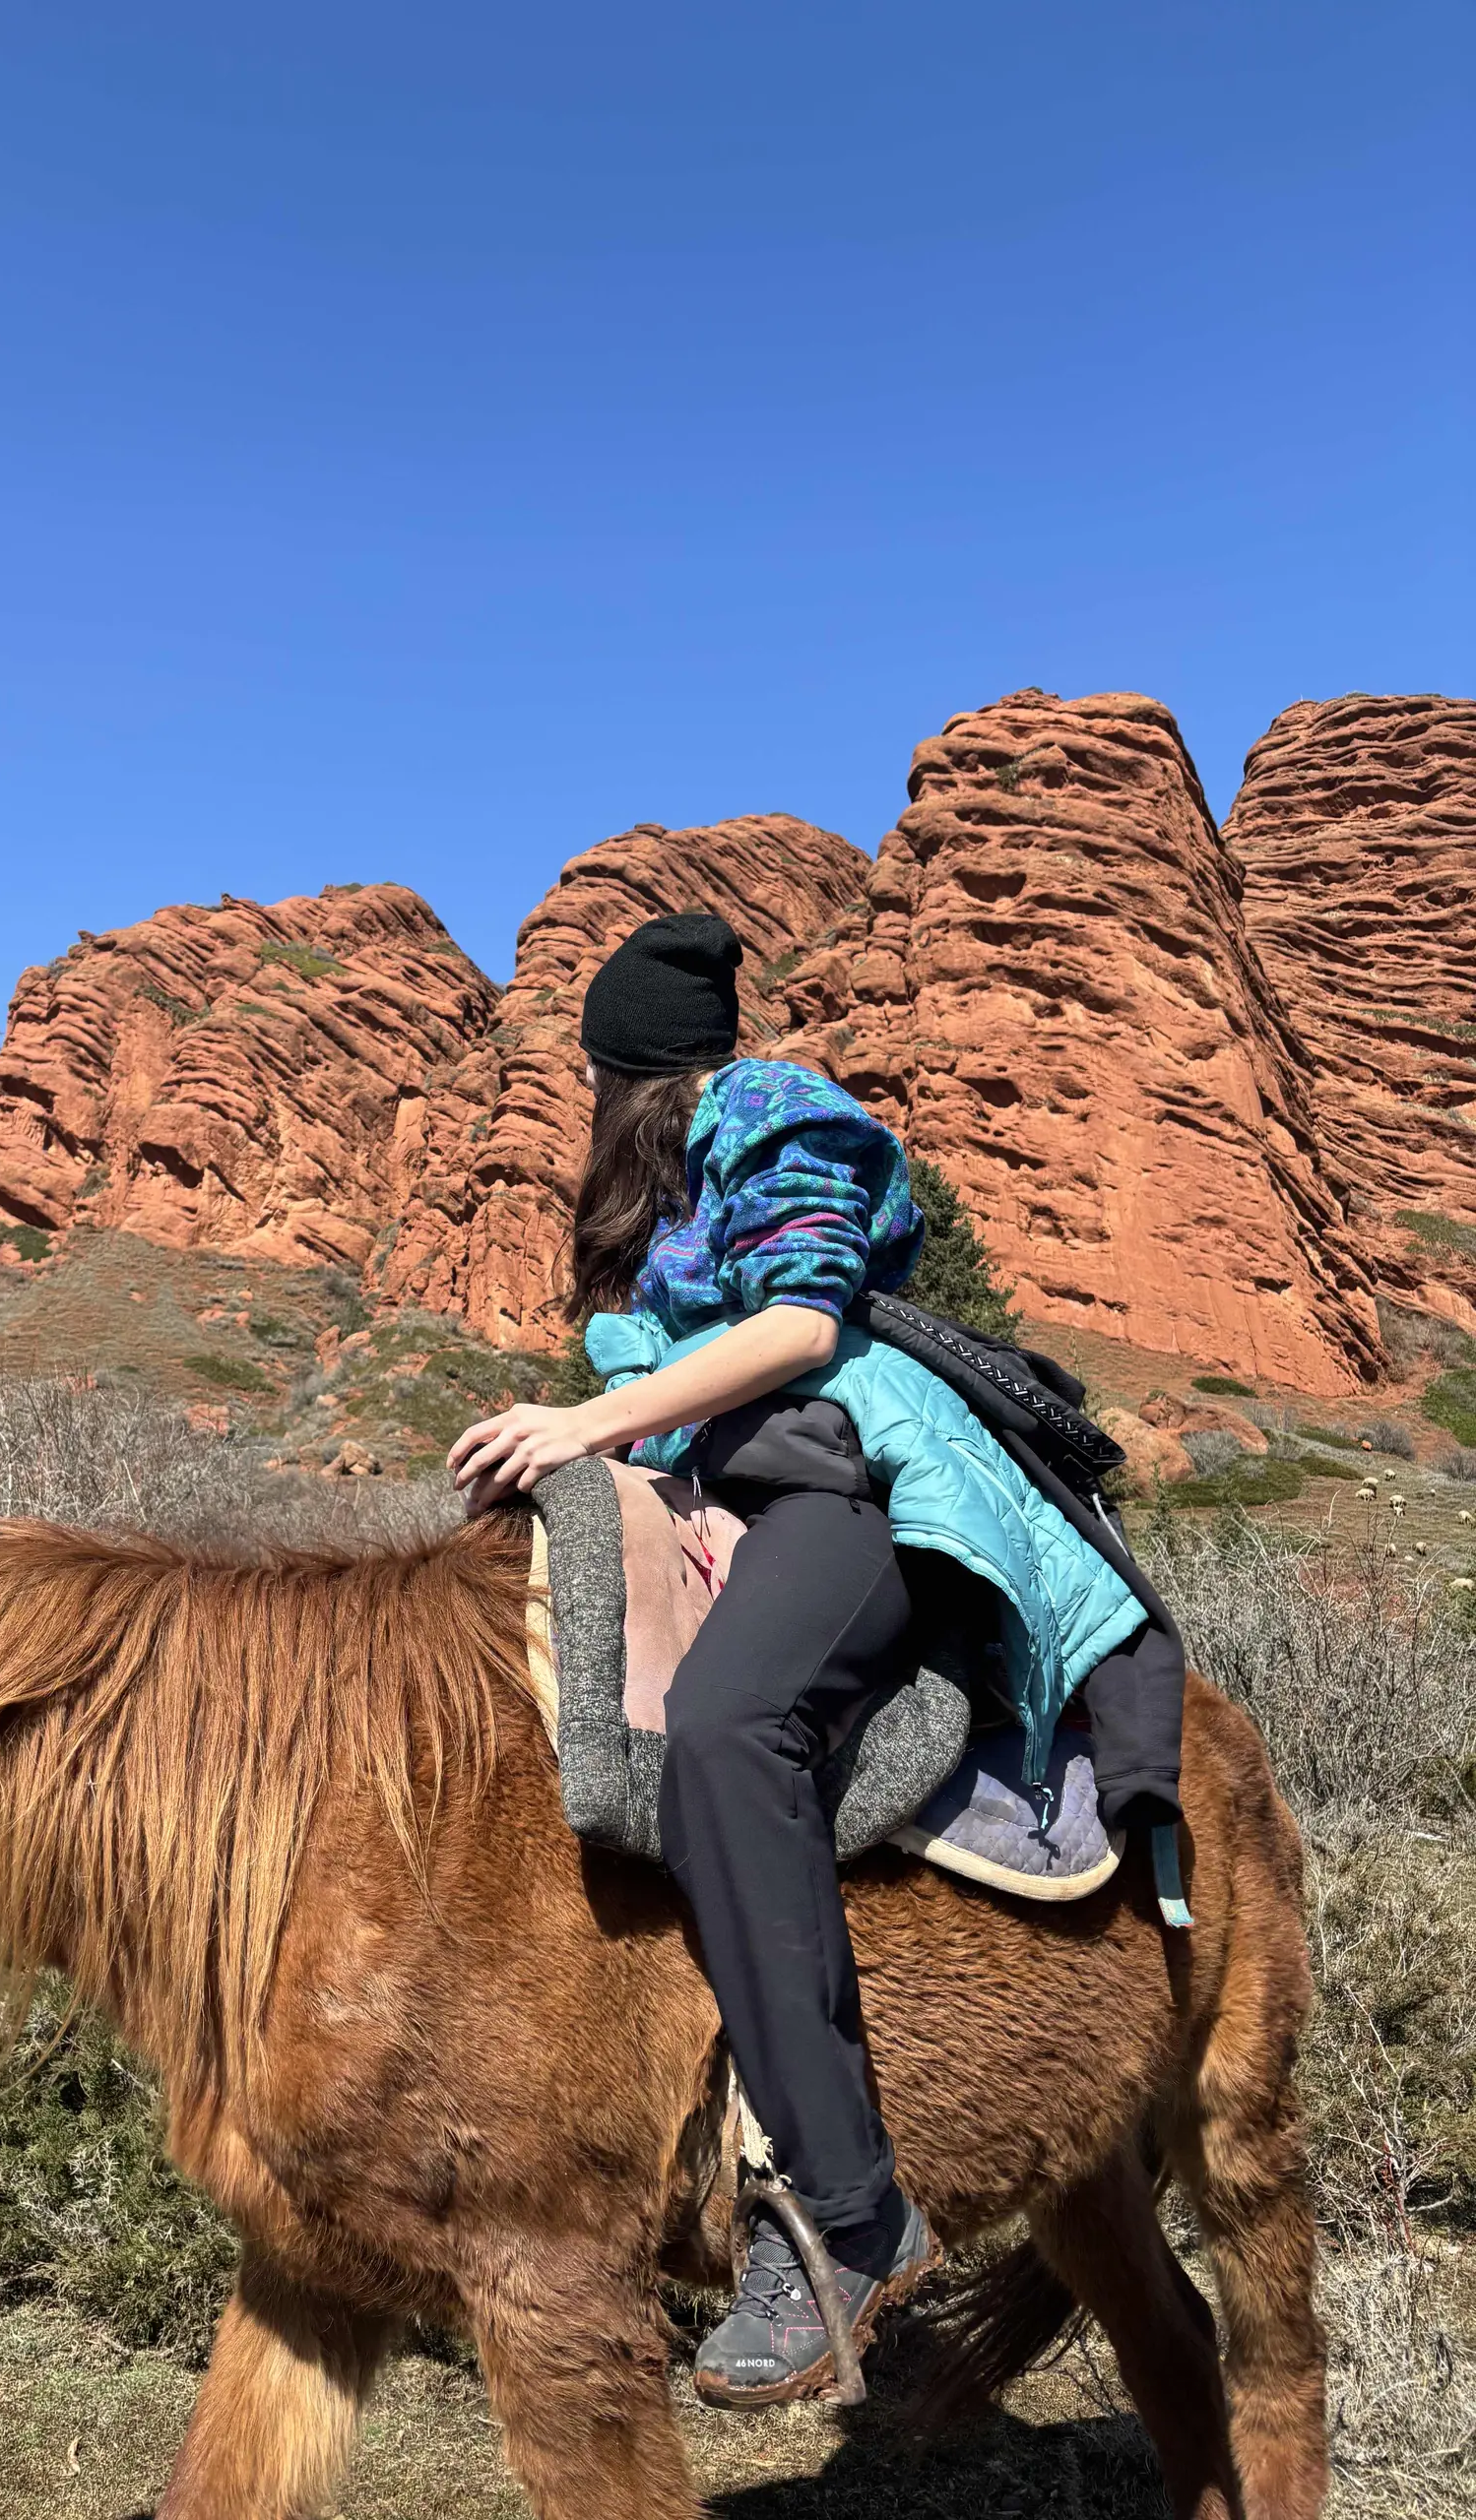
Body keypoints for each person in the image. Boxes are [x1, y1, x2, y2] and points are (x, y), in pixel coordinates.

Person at [449, 910, 1181, 2411]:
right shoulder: (677, 1182)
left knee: (729, 1728)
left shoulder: (771, 1108)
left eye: (598, 1072)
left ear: (633, 1066)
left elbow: (797, 1325)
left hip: (847, 1489)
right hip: (738, 1485)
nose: (588, 1096)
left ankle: (853, 2215)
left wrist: (586, 1422)